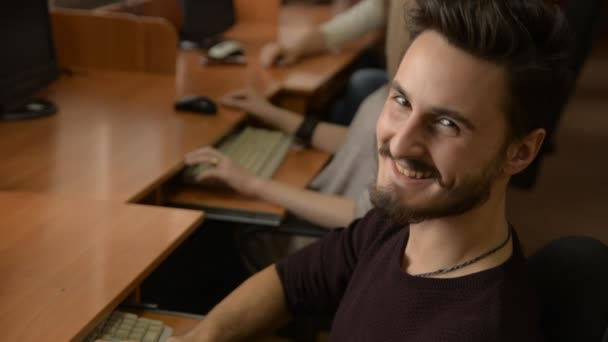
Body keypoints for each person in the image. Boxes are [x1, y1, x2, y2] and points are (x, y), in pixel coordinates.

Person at [170, 0, 572, 340]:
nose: (399, 143)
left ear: (519, 153)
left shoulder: (474, 326)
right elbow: (292, 282)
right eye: (401, 101)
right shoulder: (399, 222)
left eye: (447, 124)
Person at [185, 0, 412, 230]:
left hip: (325, 242)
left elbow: (361, 215)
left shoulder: (408, 108)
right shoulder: (398, 95)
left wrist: (251, 183)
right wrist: (273, 114)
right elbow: (358, 142)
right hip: (328, 217)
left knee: (208, 228)